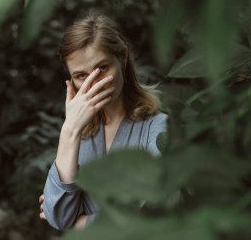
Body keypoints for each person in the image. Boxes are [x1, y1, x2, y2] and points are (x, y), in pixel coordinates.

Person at [39, 13, 168, 231]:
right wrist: (69, 130)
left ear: (123, 61)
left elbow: (154, 213)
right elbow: (58, 215)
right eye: (81, 75)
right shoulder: (79, 136)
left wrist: (80, 222)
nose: (94, 83)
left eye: (102, 68)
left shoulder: (158, 128)